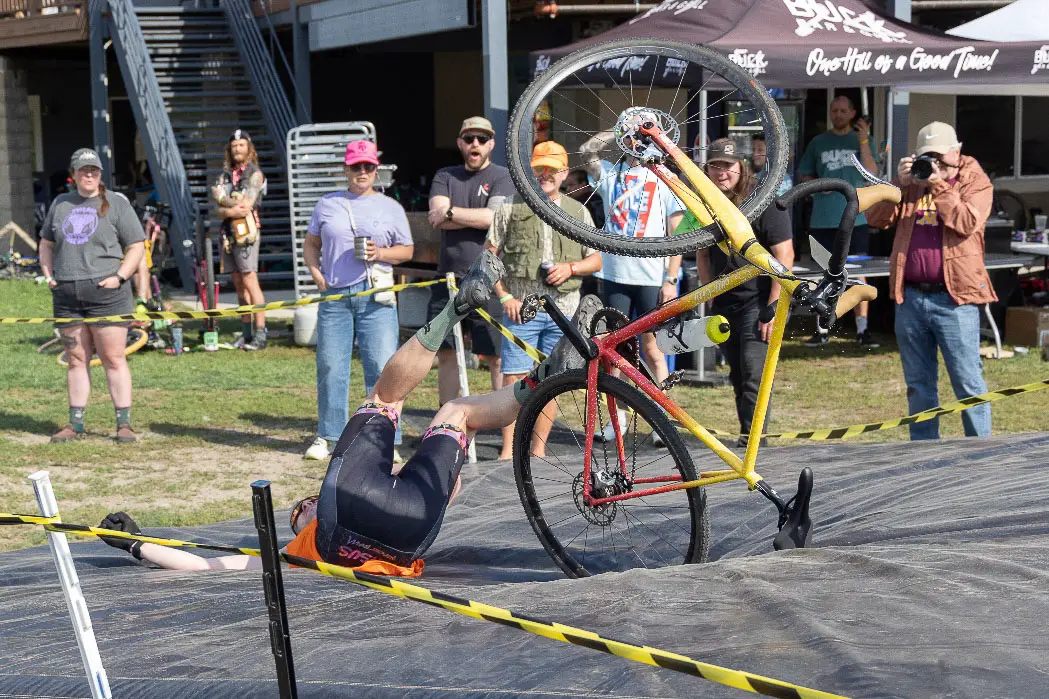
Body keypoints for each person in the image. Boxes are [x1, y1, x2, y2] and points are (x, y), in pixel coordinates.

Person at [97, 251, 603, 576]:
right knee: (390, 400)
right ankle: (459, 313)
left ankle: (547, 376)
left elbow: (205, 567)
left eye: (301, 506)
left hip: (404, 535)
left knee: (457, 413)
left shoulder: (298, 555)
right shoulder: (307, 536)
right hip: (361, 510)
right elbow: (204, 565)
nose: (302, 507)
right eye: (301, 508)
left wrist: (135, 543)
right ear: (309, 517)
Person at [865, 121, 995, 441]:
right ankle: (924, 454)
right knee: (919, 386)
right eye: (927, 156)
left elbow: (966, 222)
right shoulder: (913, 182)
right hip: (910, 298)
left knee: (968, 383)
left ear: (956, 150)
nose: (933, 163)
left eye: (938, 156)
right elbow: (875, 219)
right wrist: (897, 182)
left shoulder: (975, 181)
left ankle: (981, 457)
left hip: (955, 300)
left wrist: (939, 185)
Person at [484, 141, 603, 460]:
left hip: (564, 313)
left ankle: (537, 451)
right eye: (539, 169)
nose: (545, 175)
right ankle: (508, 451)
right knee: (513, 378)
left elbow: (596, 261)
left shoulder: (579, 211)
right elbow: (488, 258)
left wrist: (571, 268)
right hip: (520, 309)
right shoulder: (510, 206)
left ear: (565, 172)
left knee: (552, 382)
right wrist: (504, 295)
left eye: (552, 169)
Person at [303, 140, 415, 462]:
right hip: (335, 295)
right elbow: (311, 243)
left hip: (375, 294)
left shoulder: (390, 207)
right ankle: (329, 435)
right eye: (356, 166)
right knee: (331, 365)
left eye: (367, 166)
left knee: (381, 367)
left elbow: (407, 251)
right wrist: (315, 272)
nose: (362, 172)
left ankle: (384, 438)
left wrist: (379, 253)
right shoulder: (327, 204)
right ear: (346, 169)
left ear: (376, 169)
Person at [580, 126, 684, 441]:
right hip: (615, 274)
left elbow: (677, 234)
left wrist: (670, 280)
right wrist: (621, 129)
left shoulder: (664, 178)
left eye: (643, 140)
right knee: (613, 349)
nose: (637, 146)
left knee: (652, 347)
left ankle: (663, 418)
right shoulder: (612, 174)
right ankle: (617, 422)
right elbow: (587, 151)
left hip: (651, 276)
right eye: (633, 141)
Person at [38, 148, 146, 443]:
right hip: (67, 296)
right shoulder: (60, 204)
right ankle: (75, 425)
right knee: (76, 359)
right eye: (83, 170)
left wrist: (121, 277)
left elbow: (137, 245)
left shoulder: (117, 204)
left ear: (100, 174)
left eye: (94, 170)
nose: (89, 175)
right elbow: (46, 243)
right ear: (73, 175)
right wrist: (49, 276)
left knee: (113, 358)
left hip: (107, 296)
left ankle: (123, 424)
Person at [694, 139, 794, 448]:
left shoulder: (762, 203)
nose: (721, 172)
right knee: (737, 375)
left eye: (728, 166)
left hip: (759, 303)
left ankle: (755, 443)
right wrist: (708, 296)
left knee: (754, 374)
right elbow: (700, 254)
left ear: (742, 167)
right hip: (724, 303)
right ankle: (747, 436)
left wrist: (774, 306)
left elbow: (785, 255)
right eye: (715, 166)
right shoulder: (707, 205)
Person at [427, 116, 516, 404]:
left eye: (481, 139)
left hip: (489, 279)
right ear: (460, 143)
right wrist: (463, 217)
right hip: (448, 278)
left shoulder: (501, 176)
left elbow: (493, 219)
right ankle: (446, 424)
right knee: (447, 352)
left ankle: (499, 422)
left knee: (495, 355)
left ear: (491, 144)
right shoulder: (445, 175)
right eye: (468, 139)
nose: (474, 144)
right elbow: (435, 217)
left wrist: (451, 213)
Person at [798, 95, 879, 348]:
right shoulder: (818, 142)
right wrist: (815, 186)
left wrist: (864, 140)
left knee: (859, 275)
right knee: (823, 275)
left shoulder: (861, 140)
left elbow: (872, 174)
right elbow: (803, 174)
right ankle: (822, 329)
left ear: (853, 113)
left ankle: (862, 330)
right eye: (835, 111)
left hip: (856, 219)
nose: (839, 115)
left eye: (844, 111)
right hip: (823, 220)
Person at [211, 129, 268, 351]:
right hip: (228, 234)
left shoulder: (255, 174)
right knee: (237, 282)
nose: (237, 149)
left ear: (249, 148)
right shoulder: (225, 175)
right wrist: (228, 208)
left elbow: (246, 206)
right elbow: (219, 210)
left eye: (241, 145)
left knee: (250, 279)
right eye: (234, 146)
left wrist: (224, 203)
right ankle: (245, 333)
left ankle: (261, 333)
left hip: (247, 233)